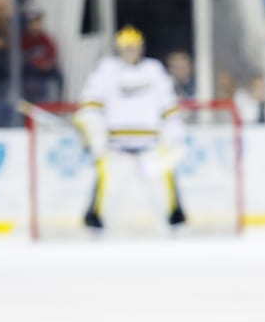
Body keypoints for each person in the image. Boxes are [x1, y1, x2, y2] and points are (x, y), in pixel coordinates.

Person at [74, 25, 187, 231]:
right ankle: (95, 227)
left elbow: (168, 107)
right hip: (115, 145)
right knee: (107, 192)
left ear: (140, 46)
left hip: (150, 144)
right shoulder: (106, 70)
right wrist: (93, 132)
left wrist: (174, 134)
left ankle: (175, 223)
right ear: (119, 47)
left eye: (133, 47)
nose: (130, 51)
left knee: (163, 189)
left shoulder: (154, 70)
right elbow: (90, 106)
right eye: (126, 47)